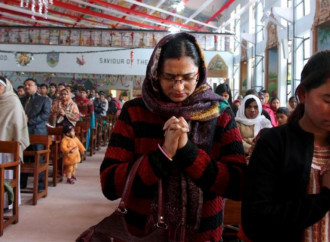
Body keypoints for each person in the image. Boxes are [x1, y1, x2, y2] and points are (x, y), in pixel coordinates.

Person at [100, 32, 246, 241]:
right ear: (155, 73)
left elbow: (238, 184)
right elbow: (109, 185)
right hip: (142, 234)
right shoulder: (134, 111)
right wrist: (162, 155)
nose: (178, 87)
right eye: (169, 77)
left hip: (202, 235)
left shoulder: (218, 112)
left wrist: (187, 152)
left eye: (187, 78)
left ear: (200, 73)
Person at [242, 50, 330, 241]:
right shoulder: (274, 143)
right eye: (328, 100)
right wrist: (324, 199)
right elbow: (254, 221)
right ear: (303, 94)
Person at [0, 76, 30, 208]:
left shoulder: (13, 102)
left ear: (6, 87)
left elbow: (17, 125)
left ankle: (7, 203)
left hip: (8, 148)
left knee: (6, 174)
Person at [20, 78, 51, 191]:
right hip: (23, 132)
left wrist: (29, 120)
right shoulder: (21, 100)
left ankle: (40, 186)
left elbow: (45, 115)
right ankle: (22, 184)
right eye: (25, 85)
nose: (26, 86)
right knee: (23, 158)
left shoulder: (44, 100)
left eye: (29, 84)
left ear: (36, 87)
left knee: (39, 160)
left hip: (38, 132)